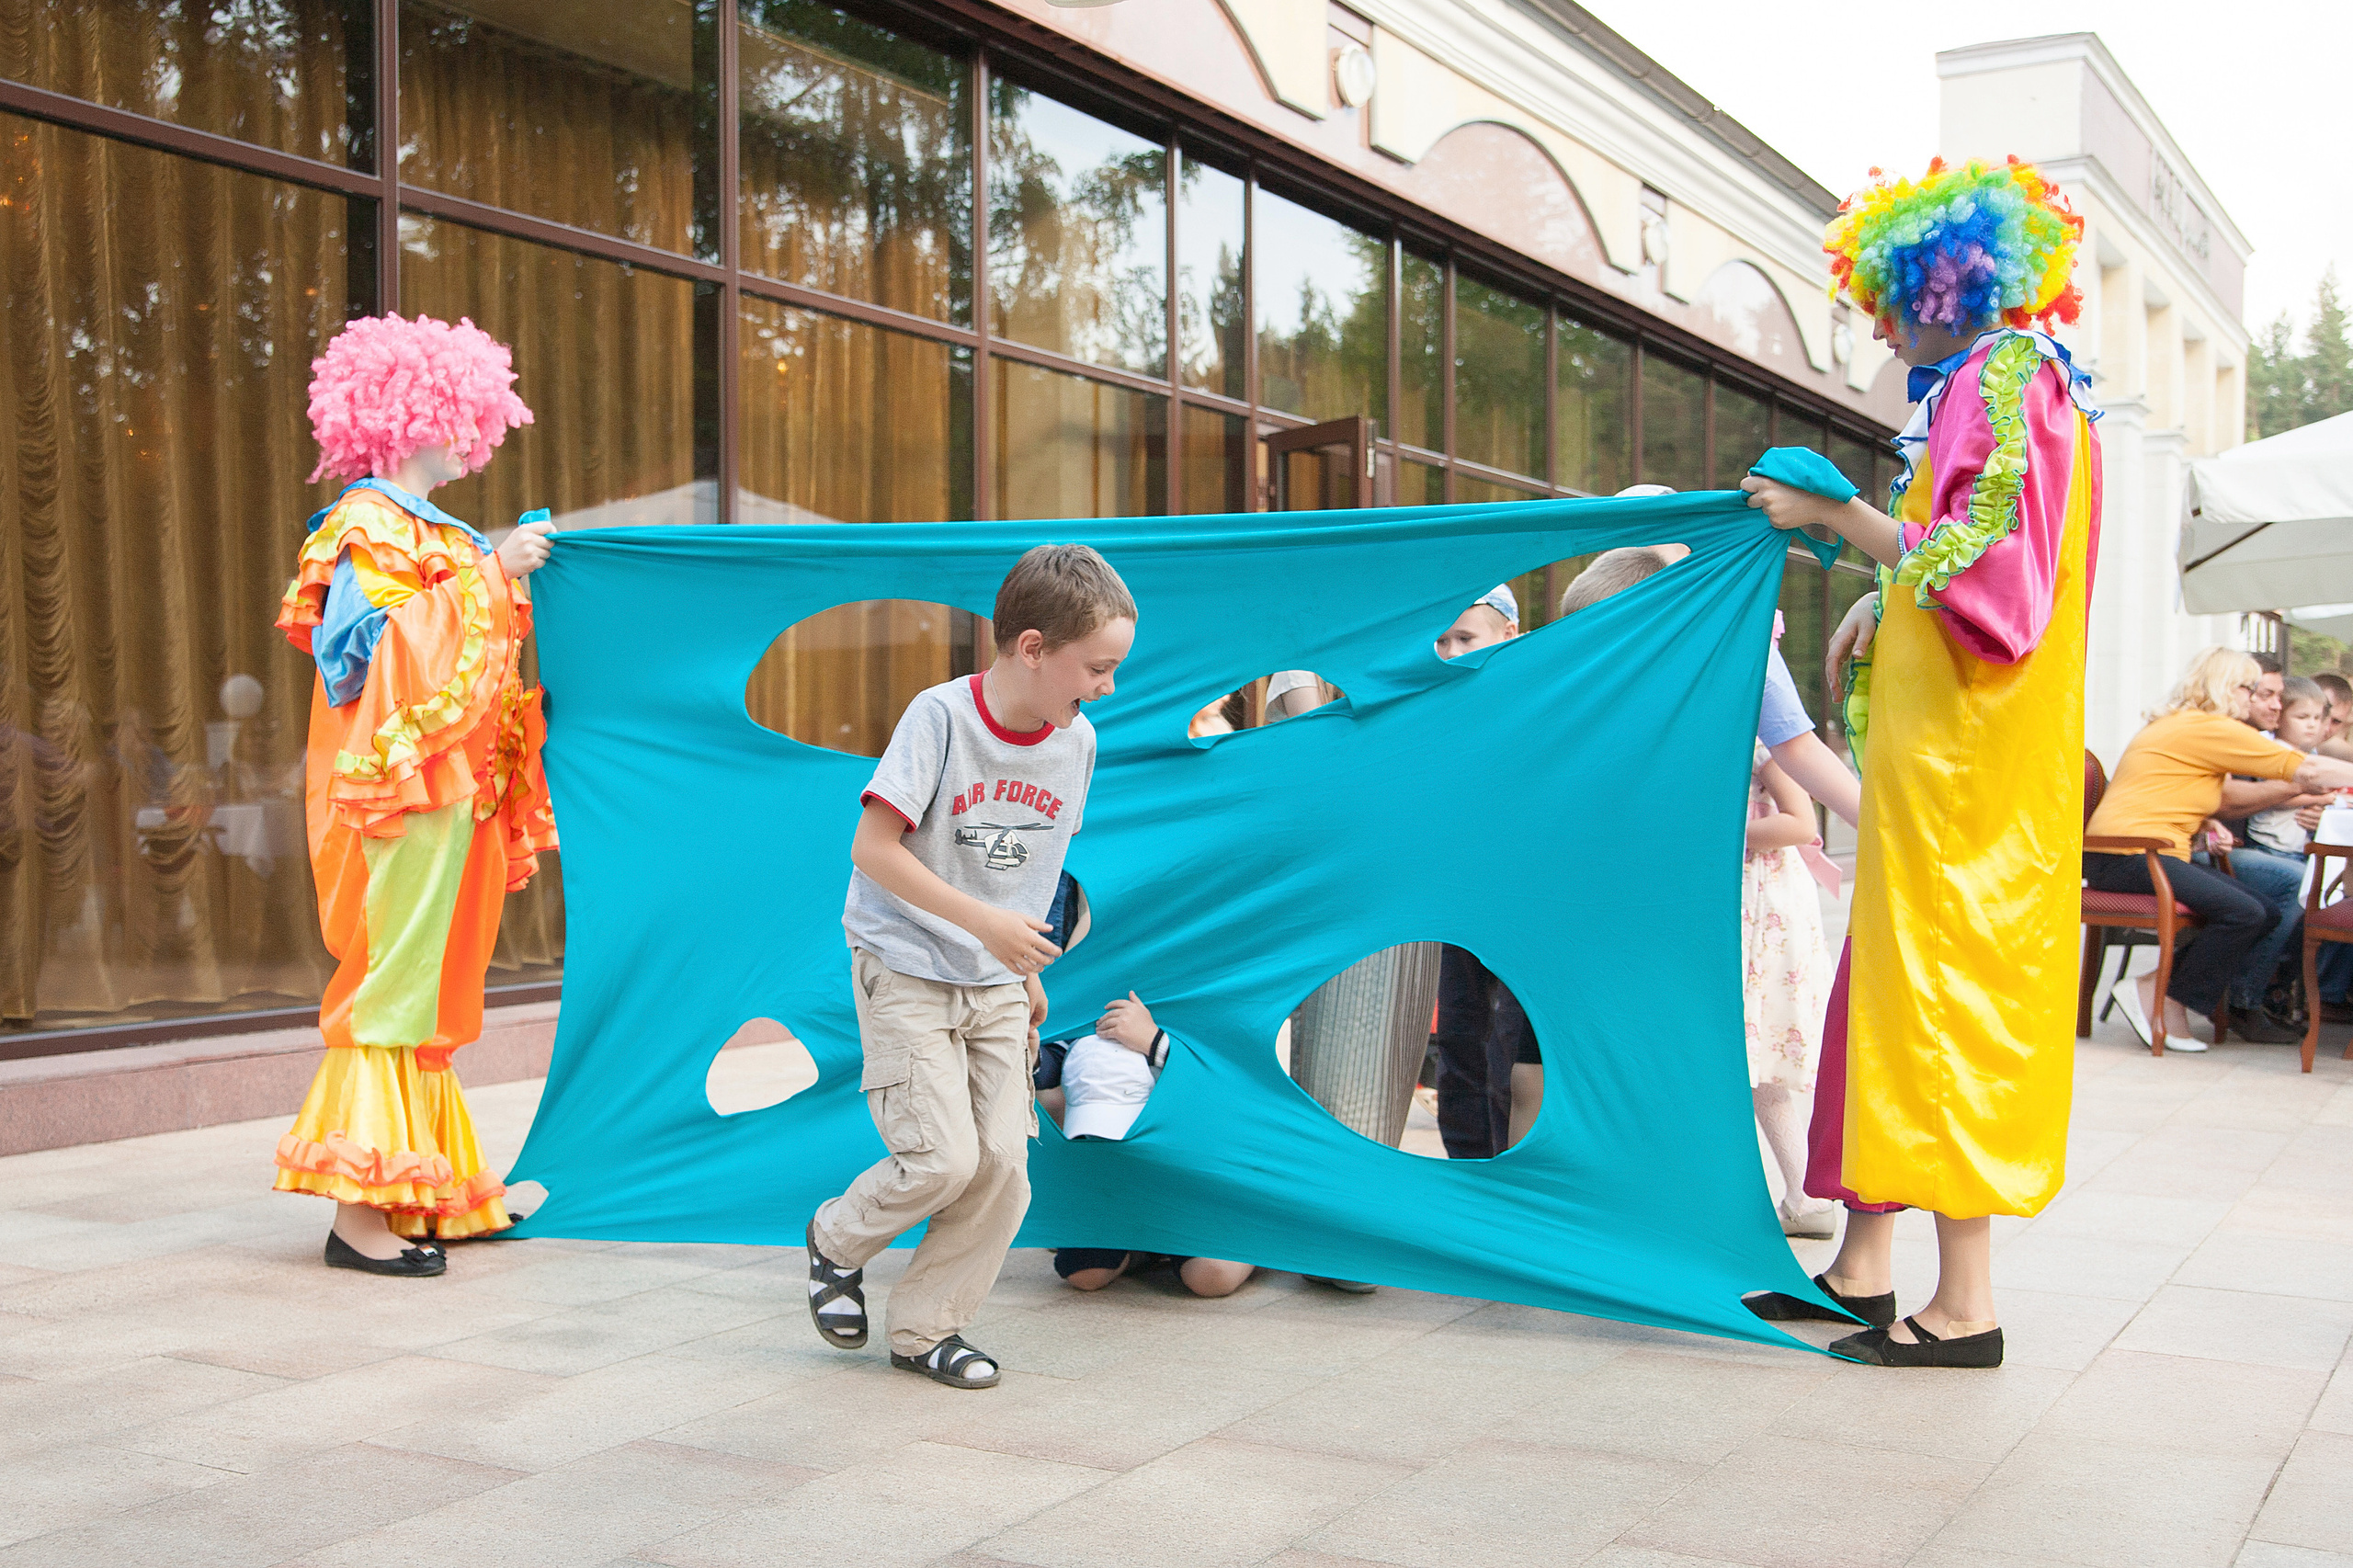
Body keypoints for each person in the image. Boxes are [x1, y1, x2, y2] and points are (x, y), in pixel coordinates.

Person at [1739, 157, 2104, 1367]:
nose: (1878, 322)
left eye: (1889, 296)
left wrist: (1845, 523)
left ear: (1947, 283)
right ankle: (1866, 1262)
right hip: (1946, 762)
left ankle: (1967, 1304)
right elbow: (1949, 564)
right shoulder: (1978, 384)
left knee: (1945, 998)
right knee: (1889, 998)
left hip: (1974, 776)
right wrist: (1879, 600)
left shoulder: (2013, 377)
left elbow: (1997, 577)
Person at [805, 544, 1136, 1391]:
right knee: (942, 1159)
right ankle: (836, 1241)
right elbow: (872, 850)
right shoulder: (939, 719)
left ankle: (926, 1330)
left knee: (1004, 1169)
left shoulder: (1078, 742)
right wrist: (985, 925)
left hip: (994, 981)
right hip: (907, 962)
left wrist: (1022, 967)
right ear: (1033, 649)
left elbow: (1040, 864)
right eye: (1095, 668)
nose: (1105, 688)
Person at [270, 313, 559, 1277]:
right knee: (394, 982)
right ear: (412, 416)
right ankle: (359, 1217)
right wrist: (490, 571)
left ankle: (419, 1184)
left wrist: (487, 566)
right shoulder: (366, 525)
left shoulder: (428, 530)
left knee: (433, 988)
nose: (473, 433)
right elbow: (361, 658)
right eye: (460, 413)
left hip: (446, 790)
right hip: (397, 797)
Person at [2083, 651, 2353, 1049]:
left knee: (2265, 910)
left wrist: (2299, 787)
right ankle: (2160, 995)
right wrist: (2306, 781)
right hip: (2131, 854)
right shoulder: (2206, 727)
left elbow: (2228, 799)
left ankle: (2161, 991)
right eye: (2253, 690)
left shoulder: (2187, 725)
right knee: (2245, 912)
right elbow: (2307, 768)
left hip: (2146, 854)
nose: (2264, 701)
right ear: (2226, 688)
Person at [1428, 585, 1542, 1161]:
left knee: (1509, 1047)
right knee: (1457, 1035)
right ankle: (1466, 1169)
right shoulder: (1430, 707)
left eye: (1465, 638)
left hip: (1521, 897)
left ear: (1509, 637)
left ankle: (1503, 1170)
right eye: (1442, 640)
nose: (1450, 652)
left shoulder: (1535, 703)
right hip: (1453, 896)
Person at [1744, 743, 1839, 1239]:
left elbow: (1802, 824)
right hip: (1739, 897)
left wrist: (1714, 830)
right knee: (1749, 1058)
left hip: (1760, 903)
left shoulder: (1763, 739)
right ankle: (1804, 1195)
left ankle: (1804, 1195)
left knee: (1752, 1056)